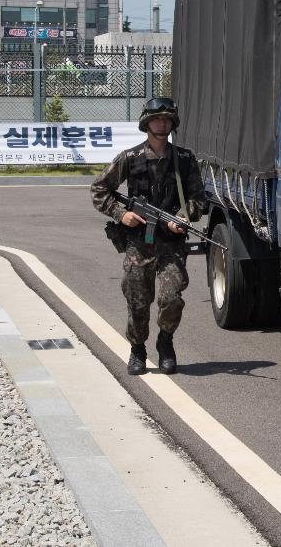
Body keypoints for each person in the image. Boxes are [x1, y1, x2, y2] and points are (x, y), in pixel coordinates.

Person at [91, 97, 205, 375]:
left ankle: (165, 343)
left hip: (171, 245)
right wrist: (121, 214)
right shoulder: (130, 159)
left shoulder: (185, 160)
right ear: (146, 123)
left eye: (166, 119)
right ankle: (137, 349)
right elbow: (99, 190)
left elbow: (199, 199)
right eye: (157, 119)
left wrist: (184, 216)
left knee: (171, 298)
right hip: (138, 244)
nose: (162, 123)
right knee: (138, 301)